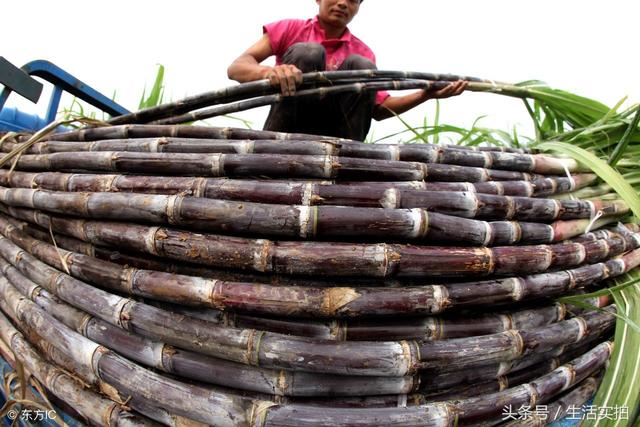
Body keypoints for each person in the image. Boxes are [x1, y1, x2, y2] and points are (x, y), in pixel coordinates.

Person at [227, 0, 467, 141]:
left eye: (353, 0)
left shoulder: (363, 52)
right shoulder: (289, 29)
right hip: (287, 133)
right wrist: (269, 72)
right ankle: (277, 151)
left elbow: (379, 109)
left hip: (339, 139)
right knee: (309, 52)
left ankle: (344, 159)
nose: (343, 3)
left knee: (362, 68)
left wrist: (426, 94)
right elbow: (237, 67)